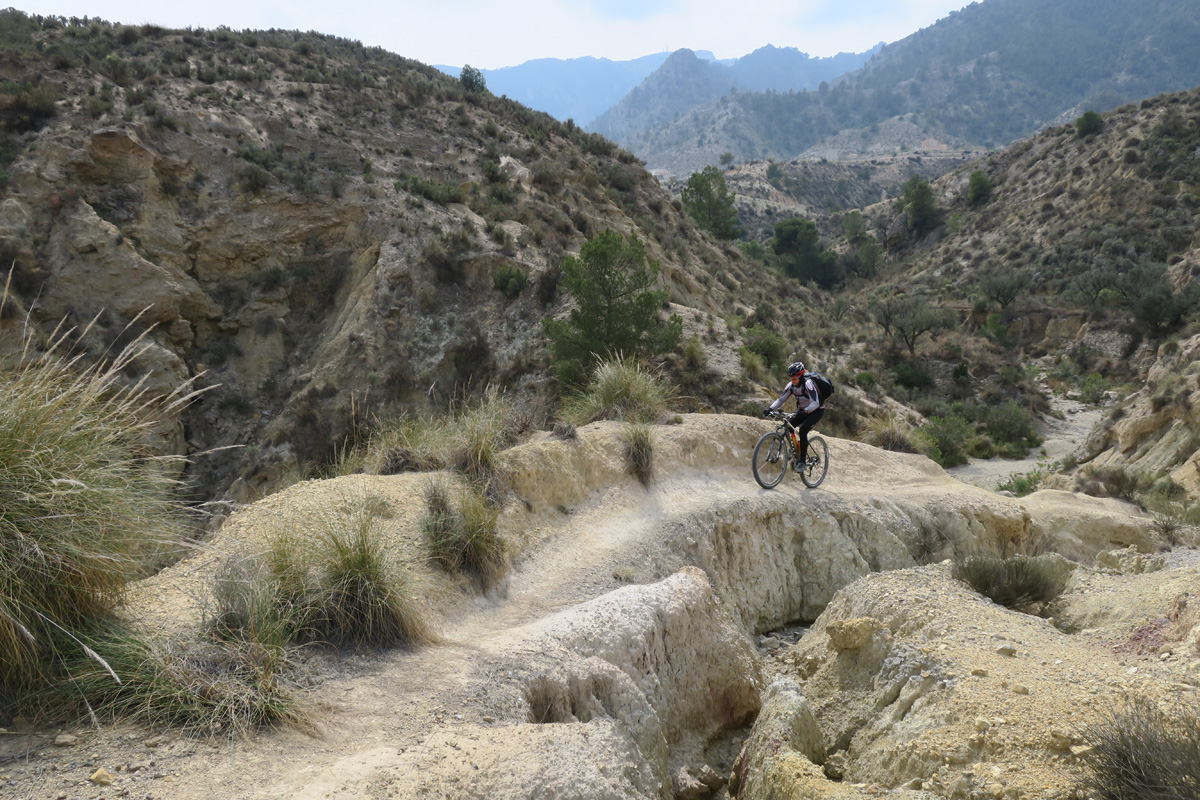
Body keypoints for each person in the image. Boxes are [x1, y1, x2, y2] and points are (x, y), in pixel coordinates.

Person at [764, 361, 825, 470]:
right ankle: (796, 450)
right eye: (791, 378)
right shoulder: (791, 386)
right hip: (802, 410)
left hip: (816, 410)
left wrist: (806, 411)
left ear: (801, 377)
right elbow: (781, 399)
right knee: (788, 426)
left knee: (803, 430)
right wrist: (770, 408)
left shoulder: (808, 384)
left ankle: (802, 461)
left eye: (795, 379)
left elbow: (815, 403)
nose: (793, 381)